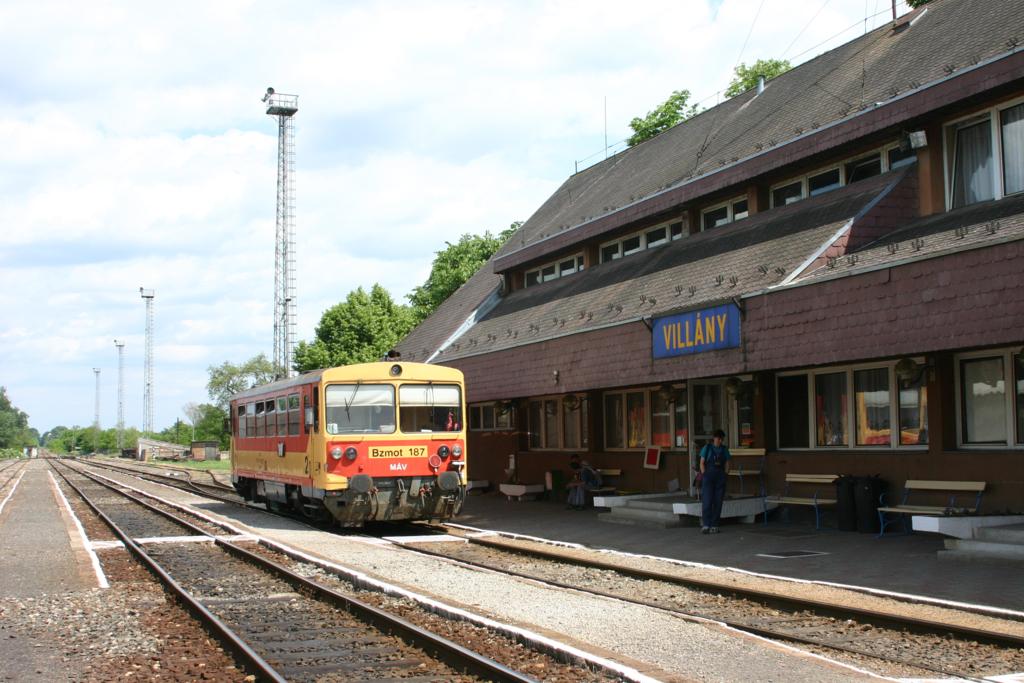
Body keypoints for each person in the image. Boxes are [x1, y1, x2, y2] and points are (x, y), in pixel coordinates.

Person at [699, 429, 731, 534]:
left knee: (718, 502)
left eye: (722, 439)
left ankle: (715, 525)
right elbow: (702, 462)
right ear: (714, 438)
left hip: (720, 477)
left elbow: (727, 463)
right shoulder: (707, 448)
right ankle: (706, 524)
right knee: (707, 501)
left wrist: (726, 474)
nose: (720, 441)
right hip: (708, 477)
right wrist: (704, 474)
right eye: (719, 439)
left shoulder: (724, 449)